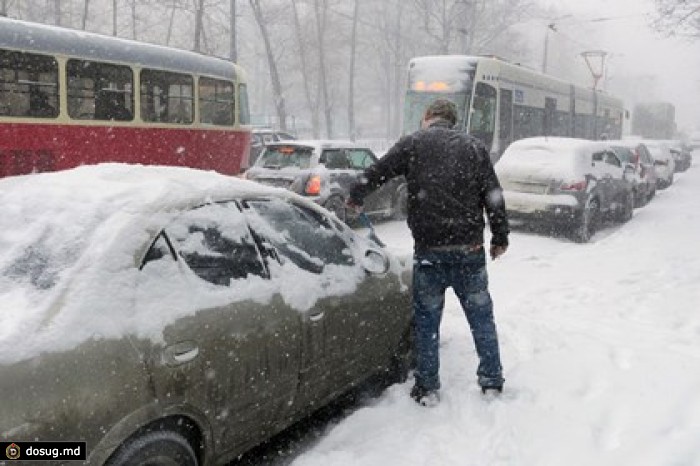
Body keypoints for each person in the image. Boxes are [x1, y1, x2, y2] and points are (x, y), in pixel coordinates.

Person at [347, 99, 509, 406]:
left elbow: (378, 171)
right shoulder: (474, 148)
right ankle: (491, 380)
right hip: (469, 250)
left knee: (426, 322)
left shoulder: (413, 143)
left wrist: (357, 195)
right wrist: (500, 237)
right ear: (453, 120)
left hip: (429, 251)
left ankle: (427, 387)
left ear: (427, 118)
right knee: (481, 318)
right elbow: (493, 195)